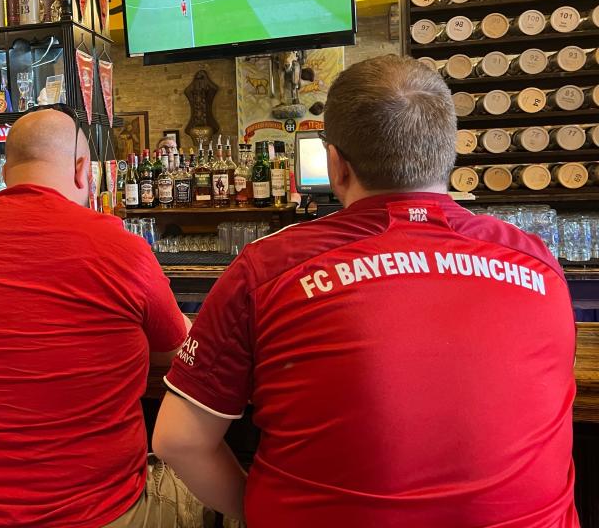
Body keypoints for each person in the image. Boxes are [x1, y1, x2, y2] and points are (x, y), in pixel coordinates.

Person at [153, 55, 578, 528]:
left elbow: (177, 440)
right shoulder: (538, 262)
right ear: (448, 154)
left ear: (335, 164)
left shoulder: (268, 269)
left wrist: (256, 510)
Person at [0, 105, 204, 528]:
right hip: (90, 517)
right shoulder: (118, 244)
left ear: (4, 173)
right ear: (84, 169)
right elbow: (179, 348)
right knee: (204, 478)